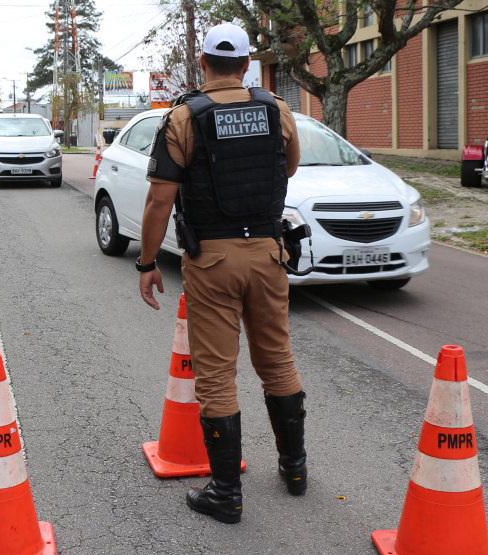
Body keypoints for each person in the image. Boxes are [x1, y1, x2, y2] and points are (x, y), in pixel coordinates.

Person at [137, 22, 304, 524]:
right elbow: (288, 168)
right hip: (270, 254)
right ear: (248, 65)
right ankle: (294, 470)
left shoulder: (184, 118)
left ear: (204, 64)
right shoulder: (277, 109)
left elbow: (160, 198)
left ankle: (226, 493)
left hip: (211, 259)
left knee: (215, 376)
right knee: (276, 359)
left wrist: (146, 263)